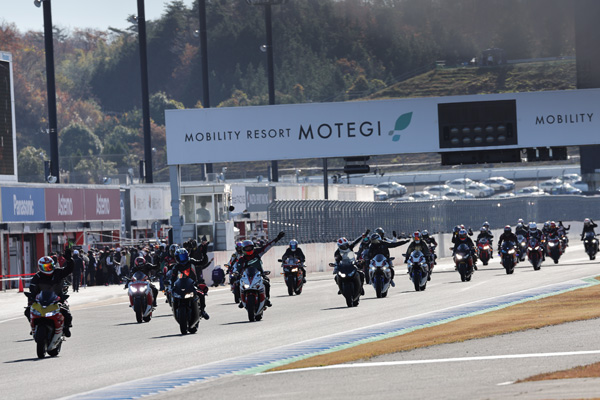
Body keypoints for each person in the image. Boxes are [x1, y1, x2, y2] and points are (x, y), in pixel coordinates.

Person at [25, 249, 74, 337]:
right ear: (40, 267)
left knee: (67, 313)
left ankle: (66, 327)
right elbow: (32, 288)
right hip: (41, 299)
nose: (48, 269)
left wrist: (69, 260)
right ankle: (34, 326)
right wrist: (32, 297)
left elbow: (69, 269)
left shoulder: (58, 272)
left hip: (58, 298)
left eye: (50, 266)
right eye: (45, 267)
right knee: (28, 311)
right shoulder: (37, 276)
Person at [235, 232, 286, 308]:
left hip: (259, 274)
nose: (249, 249)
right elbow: (238, 267)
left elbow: (268, 246)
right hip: (247, 276)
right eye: (247, 248)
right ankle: (242, 300)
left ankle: (267, 299)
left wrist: (277, 238)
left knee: (266, 283)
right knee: (237, 284)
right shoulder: (242, 259)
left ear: (253, 247)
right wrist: (237, 272)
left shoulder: (257, 252)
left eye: (250, 247)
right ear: (243, 249)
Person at [170, 248, 210, 320]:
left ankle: (203, 310)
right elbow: (173, 278)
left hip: (192, 284)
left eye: (184, 256)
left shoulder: (191, 261)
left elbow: (202, 262)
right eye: (180, 257)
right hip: (181, 286)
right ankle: (175, 310)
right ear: (177, 258)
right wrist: (172, 286)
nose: (182, 259)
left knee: (201, 294)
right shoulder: (176, 267)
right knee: (173, 295)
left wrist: (204, 254)